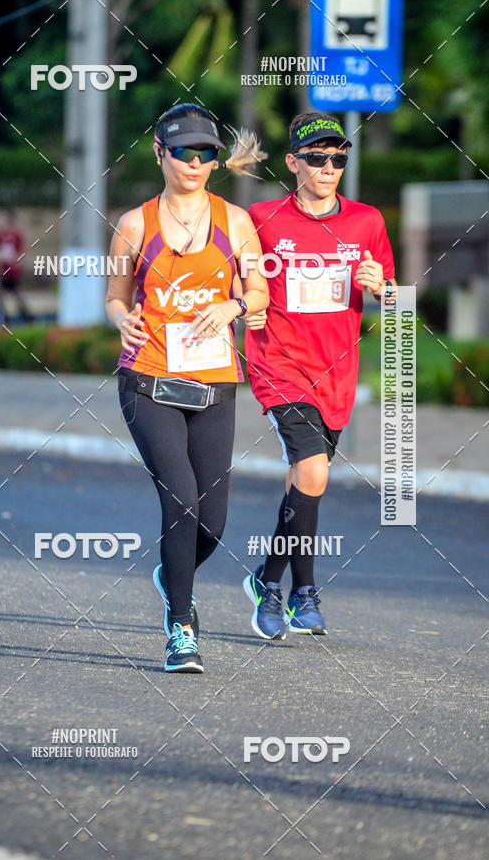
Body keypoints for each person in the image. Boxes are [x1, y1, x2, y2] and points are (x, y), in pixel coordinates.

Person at [106, 103, 269, 673]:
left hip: (214, 386)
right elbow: (115, 294)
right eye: (184, 152)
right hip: (148, 379)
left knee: (213, 522)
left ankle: (171, 573)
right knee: (180, 500)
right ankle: (181, 627)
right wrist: (120, 317)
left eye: (206, 152)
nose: (196, 162)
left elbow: (260, 294)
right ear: (160, 153)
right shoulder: (134, 224)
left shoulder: (237, 222)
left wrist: (235, 305)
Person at [242, 111, 396, 639]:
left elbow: (391, 292)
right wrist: (246, 303)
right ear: (293, 162)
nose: (328, 167)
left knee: (304, 481)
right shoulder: (260, 218)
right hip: (277, 362)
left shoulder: (367, 221)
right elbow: (234, 279)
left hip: (336, 372)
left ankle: (274, 580)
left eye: (337, 157)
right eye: (316, 158)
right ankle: (296, 592)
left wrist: (384, 287)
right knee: (313, 468)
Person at [0, 208, 29, 321]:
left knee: (15, 291)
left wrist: (18, 261)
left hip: (13, 268)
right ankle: (4, 315)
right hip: (3, 267)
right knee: (0, 291)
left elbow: (23, 249)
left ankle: (25, 314)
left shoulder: (16, 234)